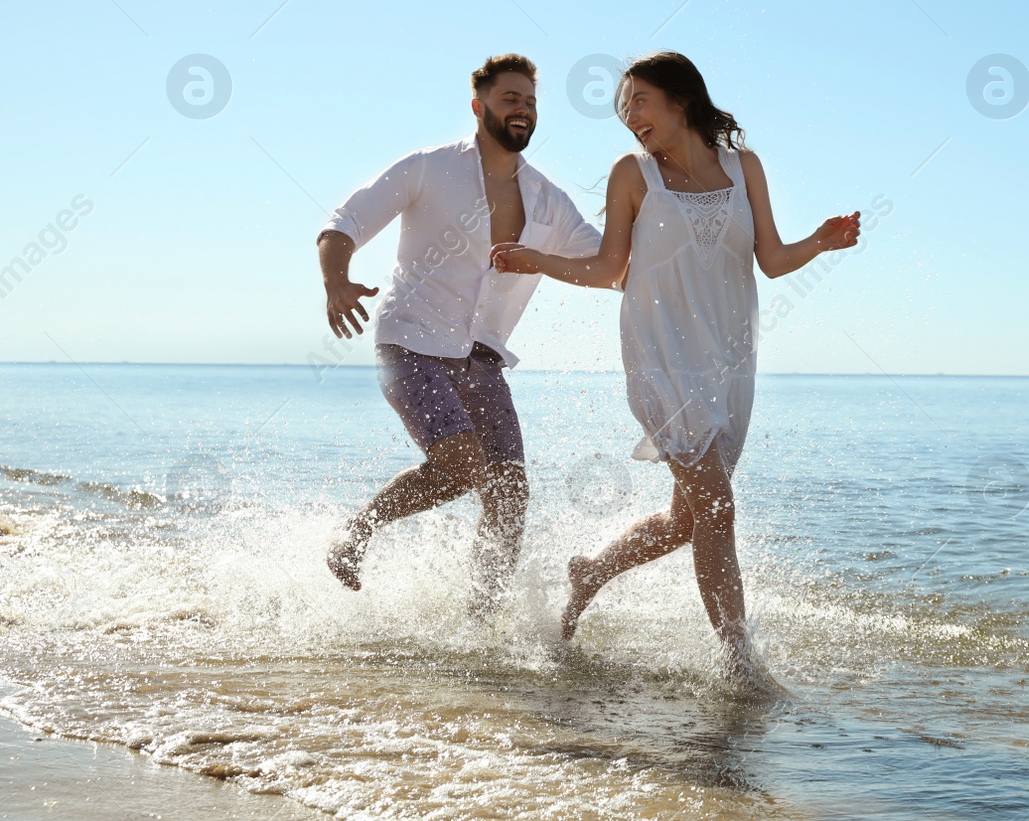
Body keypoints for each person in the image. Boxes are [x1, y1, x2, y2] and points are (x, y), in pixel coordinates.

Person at [488, 50, 860, 659]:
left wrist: (821, 241)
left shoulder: (745, 169)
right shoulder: (634, 175)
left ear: (680, 100)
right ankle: (738, 664)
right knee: (717, 505)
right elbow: (610, 268)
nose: (630, 115)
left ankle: (591, 572)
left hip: (729, 364)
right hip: (662, 358)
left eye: (640, 100)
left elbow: (770, 259)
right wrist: (537, 261)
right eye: (625, 105)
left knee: (689, 520)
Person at [317, 53, 601, 606]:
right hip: (410, 343)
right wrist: (337, 282)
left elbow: (609, 264)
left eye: (531, 102)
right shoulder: (429, 168)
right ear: (479, 106)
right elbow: (343, 222)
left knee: (510, 492)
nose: (523, 110)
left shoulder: (549, 200)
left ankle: (480, 618)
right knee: (462, 464)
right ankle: (355, 534)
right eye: (510, 99)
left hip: (482, 359)